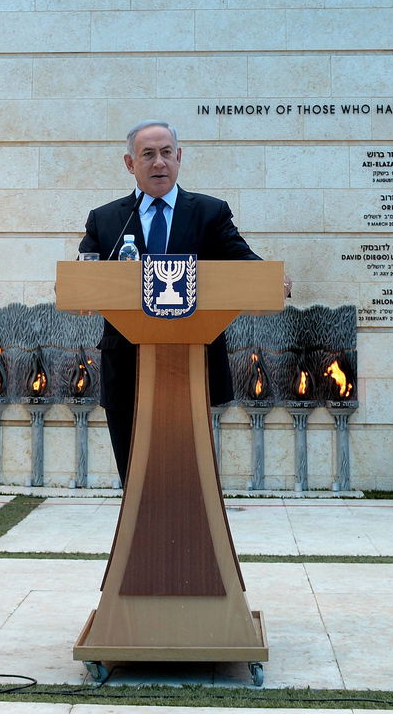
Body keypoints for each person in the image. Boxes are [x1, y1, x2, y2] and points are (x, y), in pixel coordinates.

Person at [78, 120, 261, 484]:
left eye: (166, 153)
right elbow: (84, 276)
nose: (158, 162)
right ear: (130, 163)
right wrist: (74, 285)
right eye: (148, 154)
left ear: (179, 157)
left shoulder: (210, 213)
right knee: (136, 477)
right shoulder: (106, 219)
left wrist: (272, 279)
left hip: (192, 365)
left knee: (188, 477)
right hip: (127, 365)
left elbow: (245, 263)